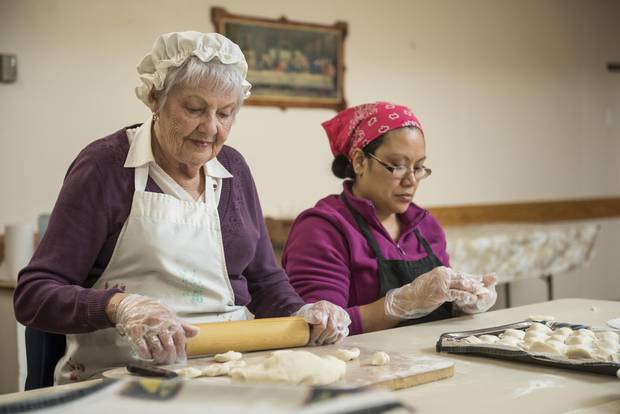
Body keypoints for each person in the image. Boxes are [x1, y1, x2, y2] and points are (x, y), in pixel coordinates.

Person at [13, 31, 350, 385]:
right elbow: (35, 293)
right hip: (119, 378)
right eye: (194, 109)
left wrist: (304, 311)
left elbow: (265, 282)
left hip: (230, 369)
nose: (211, 128)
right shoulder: (105, 168)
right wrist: (119, 307)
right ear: (155, 98)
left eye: (225, 113)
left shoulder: (233, 170)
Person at [282, 102, 498, 336]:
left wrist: (462, 303)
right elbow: (317, 329)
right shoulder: (322, 229)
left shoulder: (426, 227)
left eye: (419, 168)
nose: (411, 181)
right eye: (397, 166)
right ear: (359, 162)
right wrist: (402, 303)